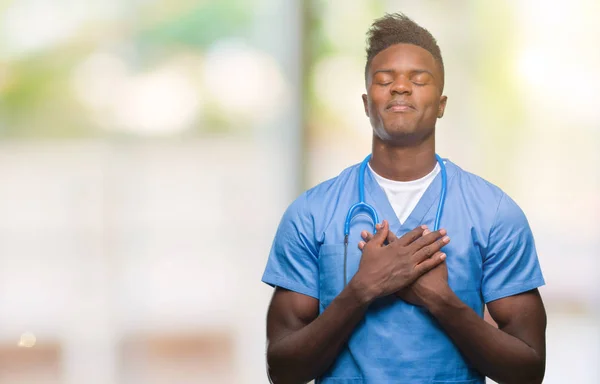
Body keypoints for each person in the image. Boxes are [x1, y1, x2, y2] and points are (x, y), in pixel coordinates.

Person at [261, 12, 546, 384]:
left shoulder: (494, 214)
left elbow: (528, 371)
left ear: (441, 104)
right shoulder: (311, 213)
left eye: (418, 79)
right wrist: (361, 290)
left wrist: (441, 301)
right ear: (366, 103)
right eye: (385, 80)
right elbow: (282, 371)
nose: (400, 87)